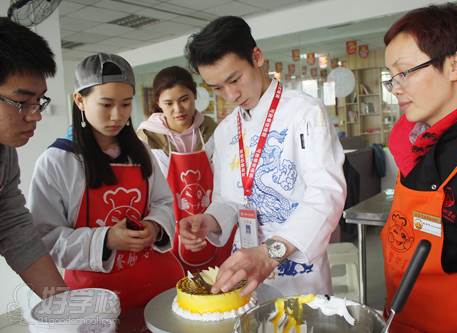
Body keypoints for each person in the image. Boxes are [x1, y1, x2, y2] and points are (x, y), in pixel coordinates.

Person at [180, 16, 346, 297]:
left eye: (235, 79)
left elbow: (326, 193)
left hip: (298, 275)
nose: (230, 95)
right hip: (244, 270)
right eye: (217, 88)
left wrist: (270, 253)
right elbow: (228, 200)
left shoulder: (303, 113)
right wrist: (209, 221)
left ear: (256, 57)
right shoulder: (225, 131)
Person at [28, 53, 184, 312]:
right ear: (80, 100)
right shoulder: (57, 161)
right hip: (96, 300)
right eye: (106, 104)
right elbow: (46, 238)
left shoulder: (140, 152)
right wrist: (107, 239)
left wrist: (155, 226)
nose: (117, 116)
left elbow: (164, 202)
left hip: (159, 286)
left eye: (125, 105)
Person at [382, 4, 457, 332]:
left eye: (405, 72)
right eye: (391, 78)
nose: (396, 89)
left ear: (455, 65)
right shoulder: (414, 145)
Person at [137, 66, 236, 272]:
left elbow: (226, 177)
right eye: (168, 103)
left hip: (212, 212)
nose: (178, 109)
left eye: (184, 99)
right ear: (158, 103)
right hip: (169, 218)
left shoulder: (212, 129)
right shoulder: (147, 137)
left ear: (195, 95)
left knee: (218, 276)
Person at [0, 17, 66, 298]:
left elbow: (10, 222)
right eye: (22, 102)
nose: (36, 114)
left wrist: (64, 304)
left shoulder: (5, 153)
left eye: (39, 101)